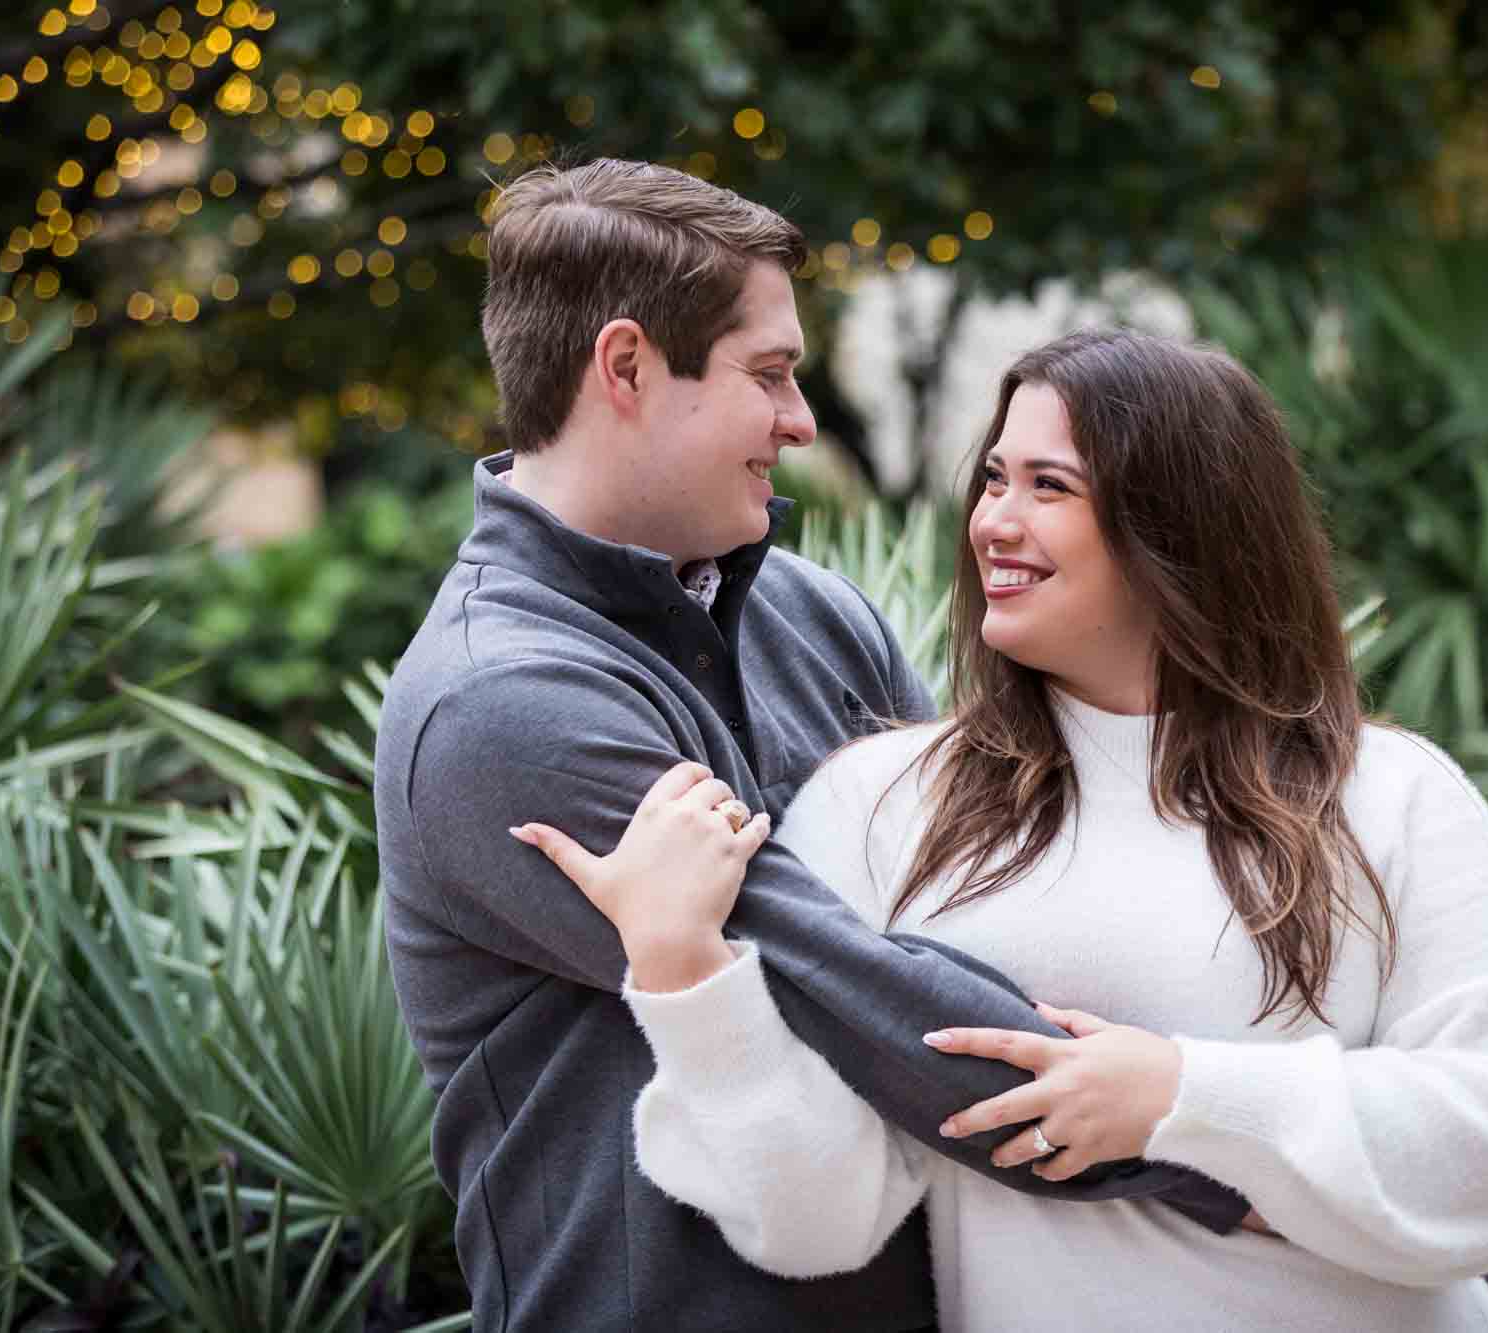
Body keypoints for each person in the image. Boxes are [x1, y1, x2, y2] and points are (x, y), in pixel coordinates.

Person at [518, 329, 1488, 1331]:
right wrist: (685, 976)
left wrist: (1183, 1094)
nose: (994, 522)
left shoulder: (1390, 795)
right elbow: (816, 1223)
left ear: (1180, 529)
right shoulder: (883, 807)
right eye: (992, 478)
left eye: (1048, 486)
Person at [373, 164, 1248, 1332]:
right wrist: (1234, 1166)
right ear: (625, 367)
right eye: (769, 374)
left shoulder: (816, 615)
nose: (800, 420)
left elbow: (982, 909)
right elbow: (860, 1000)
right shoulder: (496, 704)